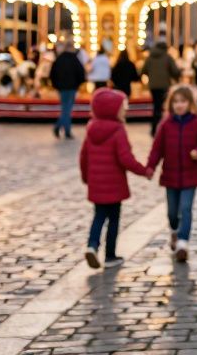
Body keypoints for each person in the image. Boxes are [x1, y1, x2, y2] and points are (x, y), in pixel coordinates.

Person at [79, 88, 152, 269]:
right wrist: (144, 171)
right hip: (115, 187)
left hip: (96, 185)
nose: (125, 111)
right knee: (113, 220)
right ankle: (110, 256)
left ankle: (92, 245)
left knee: (98, 217)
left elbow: (83, 157)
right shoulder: (118, 130)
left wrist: (87, 178)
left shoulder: (91, 129)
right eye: (122, 108)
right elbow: (125, 158)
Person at [146, 85, 197, 262]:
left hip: (190, 175)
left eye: (183, 101)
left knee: (185, 208)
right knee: (172, 213)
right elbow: (157, 149)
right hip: (170, 176)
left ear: (190, 103)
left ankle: (183, 242)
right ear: (171, 104)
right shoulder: (165, 125)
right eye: (176, 102)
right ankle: (175, 232)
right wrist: (150, 167)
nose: (179, 105)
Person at [49, 42, 86, 140]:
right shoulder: (75, 59)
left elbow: (53, 74)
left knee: (65, 108)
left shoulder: (59, 60)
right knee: (67, 109)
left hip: (62, 88)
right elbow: (81, 73)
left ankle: (61, 128)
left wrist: (56, 85)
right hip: (72, 87)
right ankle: (65, 130)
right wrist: (78, 84)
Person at [141, 41, 179, 136]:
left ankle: (154, 129)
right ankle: (165, 128)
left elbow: (143, 70)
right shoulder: (167, 57)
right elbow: (175, 71)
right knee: (165, 107)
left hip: (153, 86)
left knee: (156, 107)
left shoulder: (149, 57)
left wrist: (151, 75)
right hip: (164, 85)